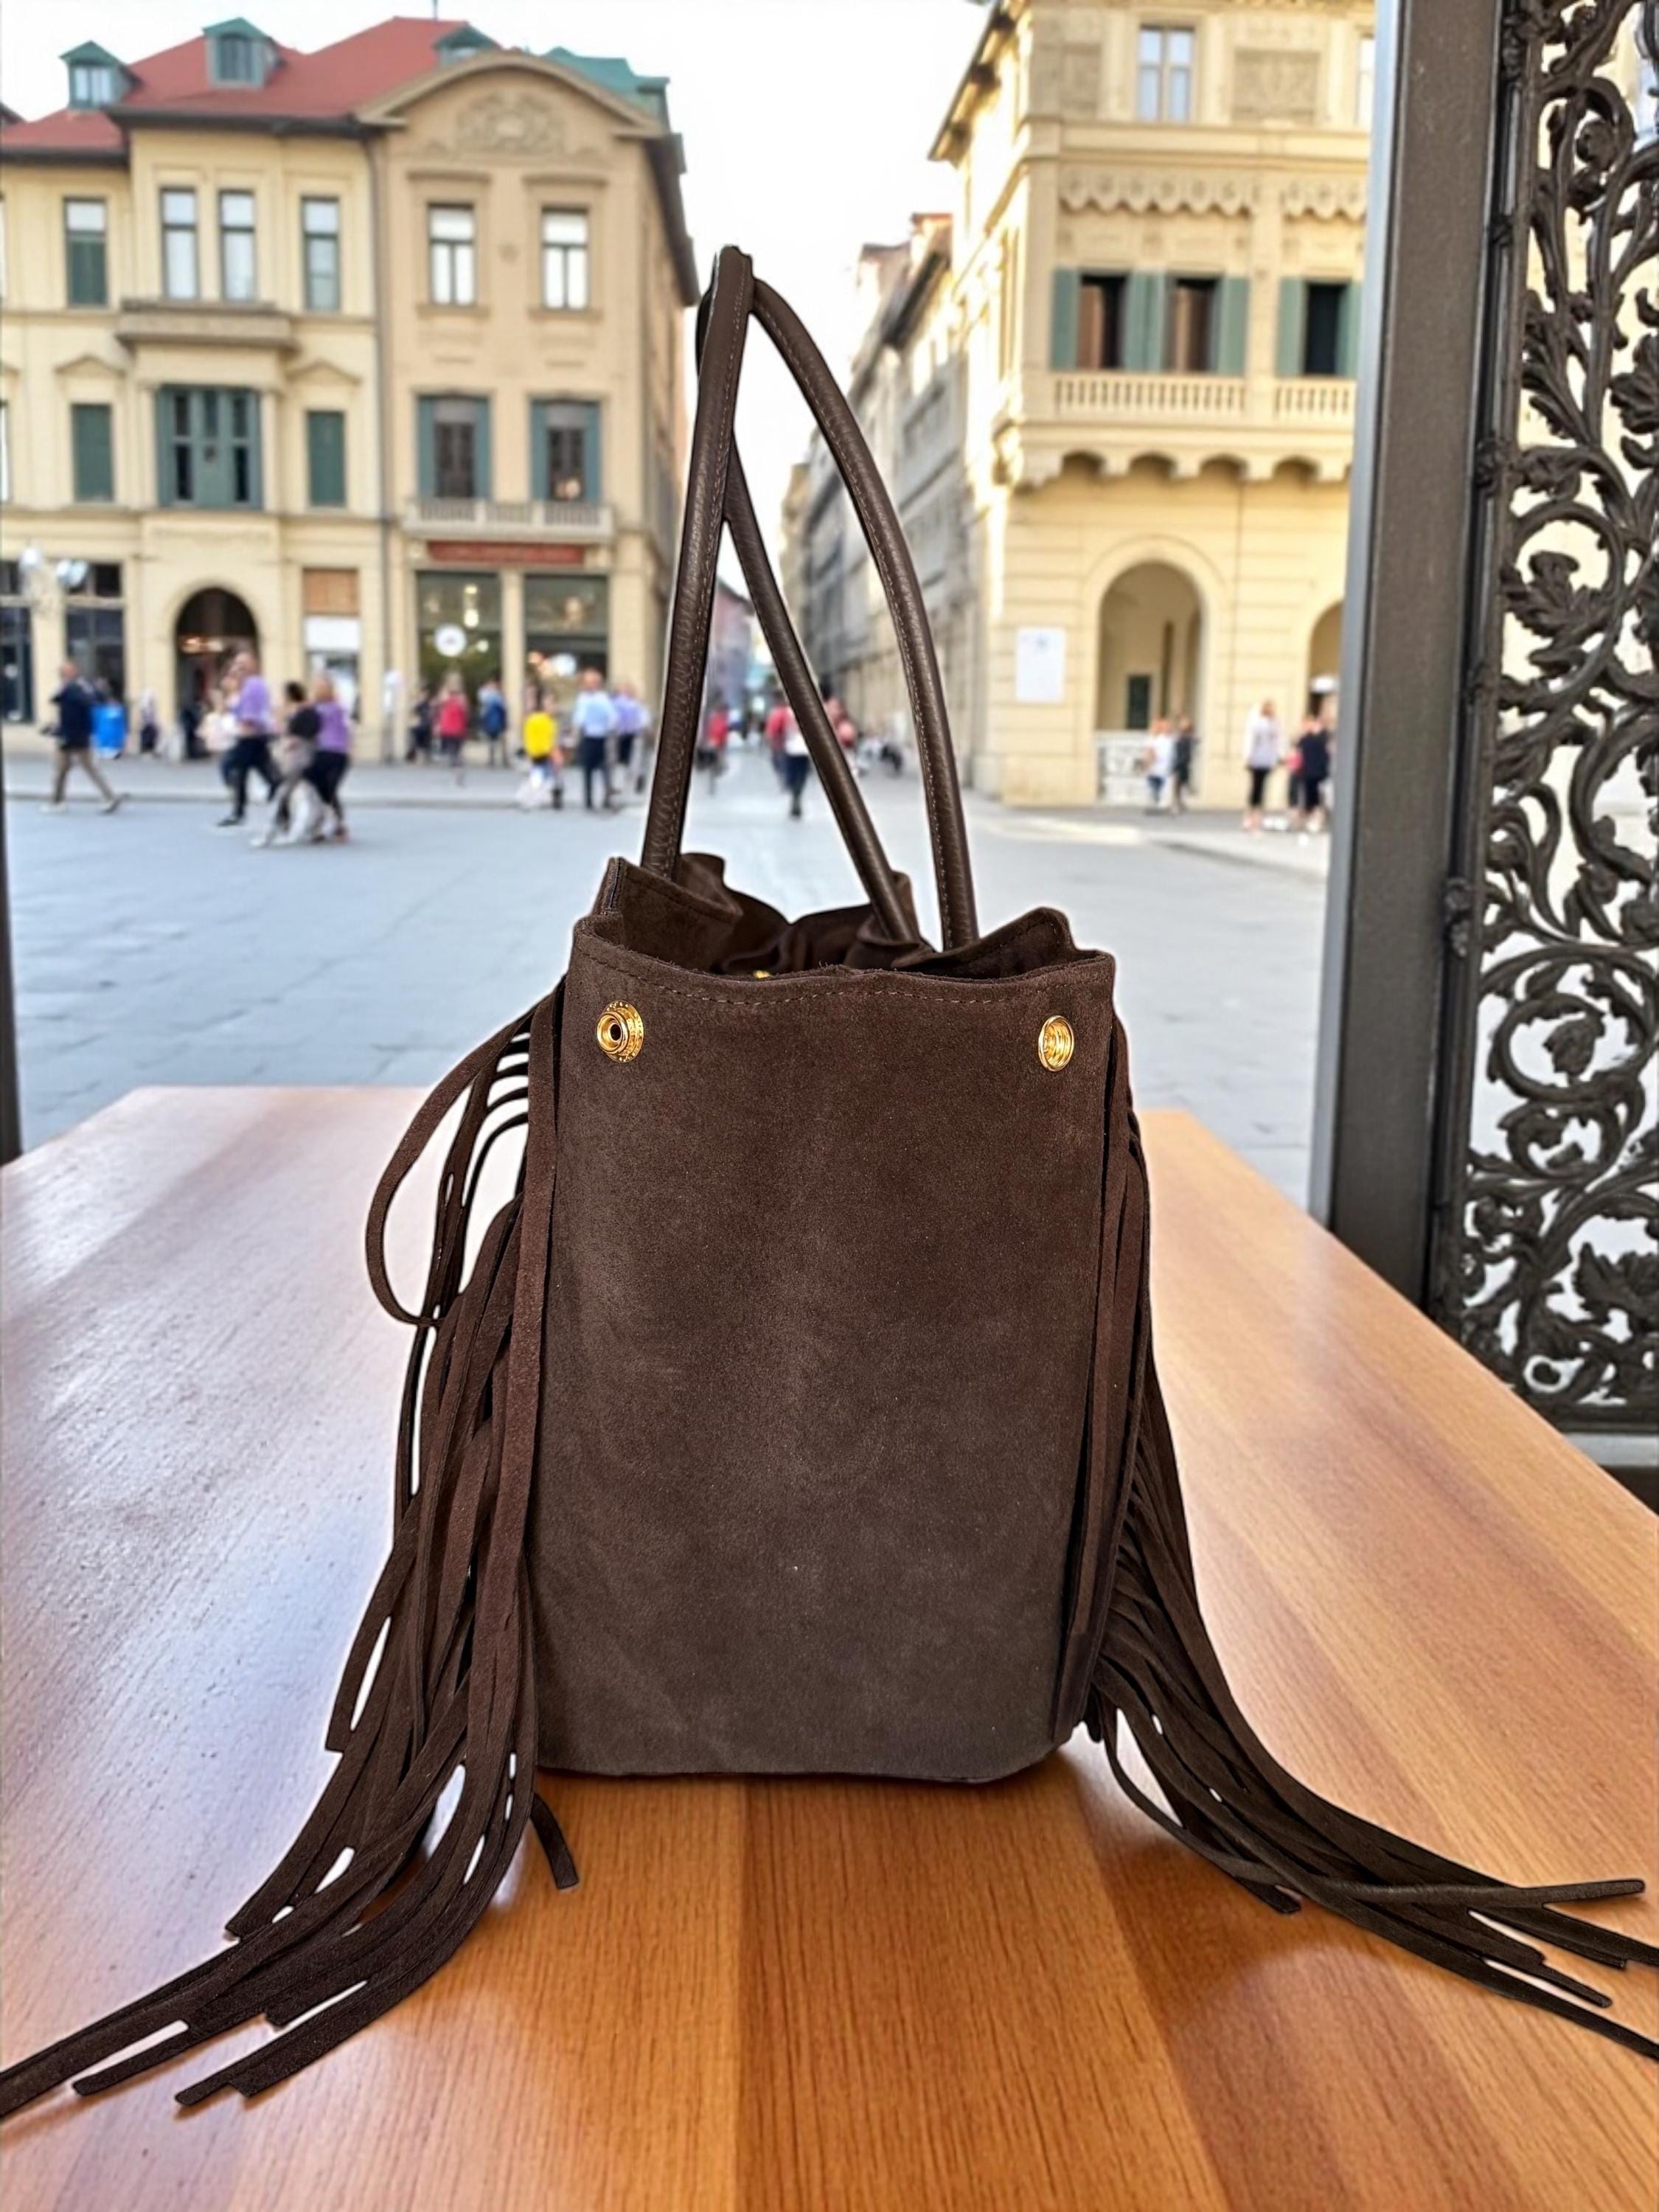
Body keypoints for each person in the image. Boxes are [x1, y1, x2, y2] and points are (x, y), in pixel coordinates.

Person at [42, 661, 122, 813]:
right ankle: (58, 801)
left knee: (68, 769)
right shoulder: (83, 687)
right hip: (79, 734)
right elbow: (95, 700)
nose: (62, 675)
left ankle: (58, 802)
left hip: (70, 736)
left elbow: (56, 700)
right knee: (65, 769)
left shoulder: (72, 688)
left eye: (64, 672)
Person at [216, 651, 280, 828]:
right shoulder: (244, 687)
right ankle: (240, 811)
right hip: (253, 737)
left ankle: (242, 811)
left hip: (251, 736)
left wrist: (245, 724)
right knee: (244, 772)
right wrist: (231, 692)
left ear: (254, 665)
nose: (239, 668)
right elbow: (233, 710)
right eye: (237, 664)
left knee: (230, 767)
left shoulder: (254, 685)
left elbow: (250, 715)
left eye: (243, 664)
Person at [254, 679, 321, 847]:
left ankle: (271, 831)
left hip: (298, 757)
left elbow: (297, 734)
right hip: (306, 756)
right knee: (312, 794)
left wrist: (290, 739)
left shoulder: (303, 712)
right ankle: (312, 829)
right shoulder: (304, 711)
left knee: (283, 793)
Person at [305, 672, 352, 841]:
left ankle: (336, 824)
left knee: (330, 790)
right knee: (322, 790)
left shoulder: (338, 707)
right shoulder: (313, 708)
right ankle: (323, 826)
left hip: (338, 754)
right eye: (318, 687)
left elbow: (346, 729)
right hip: (321, 752)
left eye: (324, 687)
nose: (321, 690)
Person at [571, 668, 618, 810]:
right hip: (588, 737)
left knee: (606, 770)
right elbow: (578, 719)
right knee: (588, 770)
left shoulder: (604, 698)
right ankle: (588, 800)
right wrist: (576, 734)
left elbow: (612, 716)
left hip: (603, 737)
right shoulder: (582, 699)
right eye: (589, 682)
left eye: (595, 682)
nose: (592, 685)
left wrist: (611, 730)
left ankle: (607, 798)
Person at [1242, 698, 1283, 832]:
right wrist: (1248, 756)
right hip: (1256, 758)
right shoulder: (1256, 721)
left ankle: (1257, 818)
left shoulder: (1275, 723)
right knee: (1255, 788)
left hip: (1267, 758)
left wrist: (1277, 757)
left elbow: (1277, 741)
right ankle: (1249, 817)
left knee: (1262, 789)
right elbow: (1250, 739)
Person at [518, 691, 562, 809]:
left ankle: (531, 798)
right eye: (550, 704)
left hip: (542, 754)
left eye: (553, 704)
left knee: (542, 778)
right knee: (539, 778)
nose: (553, 707)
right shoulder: (540, 720)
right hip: (540, 754)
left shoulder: (547, 721)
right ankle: (529, 798)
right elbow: (536, 738)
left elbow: (550, 739)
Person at [1293, 706, 1332, 834]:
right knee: (1309, 796)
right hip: (1308, 770)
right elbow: (1297, 748)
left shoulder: (1323, 735)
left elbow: (1327, 750)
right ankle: (1309, 819)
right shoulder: (1305, 737)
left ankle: (1317, 819)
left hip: (1320, 770)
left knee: (1319, 796)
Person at [778, 703, 812, 819]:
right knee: (802, 776)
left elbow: (778, 730)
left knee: (792, 775)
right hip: (804, 750)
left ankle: (795, 796)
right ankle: (797, 796)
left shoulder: (784, 713)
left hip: (791, 749)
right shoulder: (807, 711)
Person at [612, 679, 646, 793]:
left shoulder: (635, 704)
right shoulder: (615, 703)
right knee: (621, 761)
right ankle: (618, 785)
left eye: (627, 688)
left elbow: (643, 719)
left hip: (634, 734)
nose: (624, 690)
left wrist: (641, 727)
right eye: (622, 688)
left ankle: (637, 780)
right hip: (620, 735)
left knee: (635, 759)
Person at [435, 676, 470, 779]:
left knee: (454, 747)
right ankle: (456, 762)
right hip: (454, 728)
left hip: (453, 727)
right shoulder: (457, 700)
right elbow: (465, 712)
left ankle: (455, 762)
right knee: (454, 747)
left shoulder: (453, 700)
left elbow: (465, 712)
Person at [1143, 717, 1175, 812]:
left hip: (1165, 768)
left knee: (1162, 788)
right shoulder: (1156, 739)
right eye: (1163, 726)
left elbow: (1171, 754)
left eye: (1167, 726)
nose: (1166, 728)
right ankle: (1155, 804)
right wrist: (1147, 764)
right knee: (1155, 787)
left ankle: (1160, 804)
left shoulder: (1169, 740)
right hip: (1156, 768)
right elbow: (1151, 753)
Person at [478, 675, 509, 769]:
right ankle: (502, 759)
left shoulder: (487, 698)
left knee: (492, 742)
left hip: (491, 722)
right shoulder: (498, 698)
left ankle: (493, 760)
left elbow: (483, 712)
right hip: (497, 722)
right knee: (496, 741)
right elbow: (504, 710)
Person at [1171, 717, 1197, 814]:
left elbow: (1196, 741)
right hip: (1178, 762)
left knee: (1184, 783)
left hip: (1186, 762)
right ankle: (1175, 803)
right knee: (1177, 783)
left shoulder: (1190, 736)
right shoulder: (1178, 736)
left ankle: (1180, 802)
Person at [137, 688, 161, 757]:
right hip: (146, 725)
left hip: (150, 725)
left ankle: (150, 750)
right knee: (147, 738)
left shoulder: (151, 707)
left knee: (151, 738)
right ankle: (146, 751)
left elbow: (154, 716)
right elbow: (142, 716)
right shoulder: (144, 707)